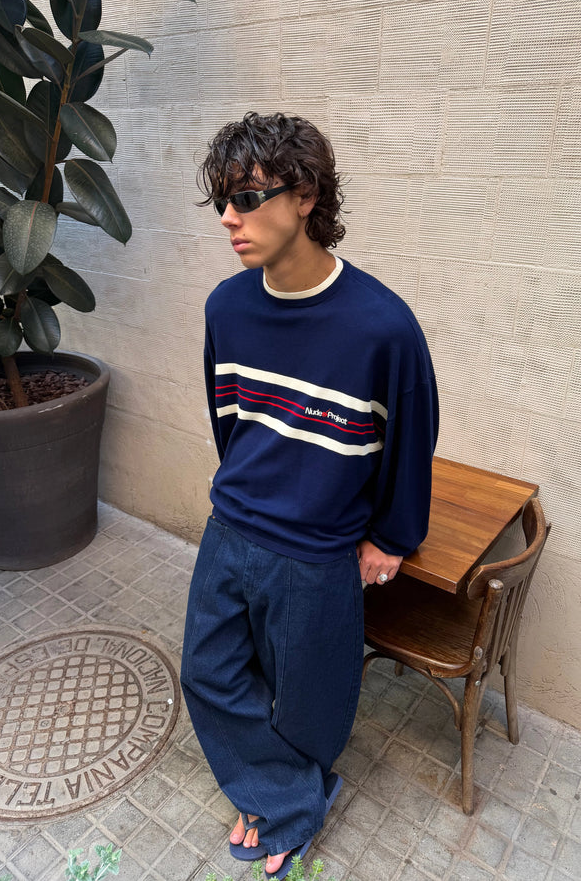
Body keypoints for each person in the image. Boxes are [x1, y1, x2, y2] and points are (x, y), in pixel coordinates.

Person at [181, 112, 439, 879]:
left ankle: (281, 804)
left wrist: (391, 537)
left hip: (319, 550)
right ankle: (281, 791)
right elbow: (229, 421)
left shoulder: (383, 328)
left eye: (248, 198)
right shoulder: (226, 308)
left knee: (310, 699)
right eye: (223, 201)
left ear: (305, 196)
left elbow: (411, 441)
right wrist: (249, 493)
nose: (229, 219)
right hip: (232, 527)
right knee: (207, 673)